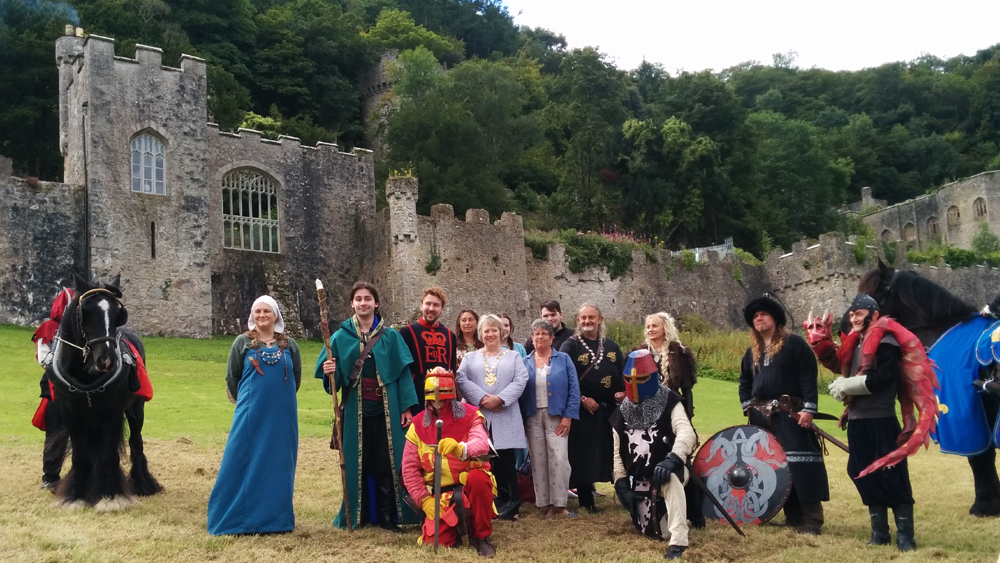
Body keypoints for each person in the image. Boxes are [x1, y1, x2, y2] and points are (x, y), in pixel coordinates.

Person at [316, 282, 419, 531]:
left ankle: (387, 516)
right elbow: (334, 381)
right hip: (356, 411)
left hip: (388, 409)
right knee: (358, 461)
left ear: (376, 303)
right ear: (352, 303)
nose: (363, 303)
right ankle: (358, 514)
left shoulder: (391, 336)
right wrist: (330, 370)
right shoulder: (340, 337)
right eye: (358, 299)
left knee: (387, 461)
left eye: (368, 299)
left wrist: (407, 407)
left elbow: (404, 374)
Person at [818, 294, 918, 551]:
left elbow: (885, 377)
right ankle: (880, 532)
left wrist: (850, 384)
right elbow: (841, 366)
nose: (854, 318)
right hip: (858, 422)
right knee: (861, 472)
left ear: (874, 315)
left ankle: (905, 536)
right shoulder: (856, 343)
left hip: (882, 420)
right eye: (852, 314)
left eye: (859, 313)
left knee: (892, 474)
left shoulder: (886, 341)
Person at [208, 296, 302, 535]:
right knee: (240, 458)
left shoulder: (289, 345)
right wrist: (250, 401)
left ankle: (275, 520)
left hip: (282, 416)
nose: (262, 316)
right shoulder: (242, 342)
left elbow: (296, 378)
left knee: (279, 464)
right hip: (251, 413)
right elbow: (233, 377)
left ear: (276, 315)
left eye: (267, 311)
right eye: (258, 311)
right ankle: (235, 519)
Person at [738, 295, 829, 535]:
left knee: (801, 463)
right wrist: (748, 406)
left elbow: (808, 377)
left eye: (764, 314)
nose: (759, 318)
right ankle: (792, 517)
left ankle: (811, 520)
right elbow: (744, 381)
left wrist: (809, 409)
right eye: (755, 316)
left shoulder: (794, 344)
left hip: (790, 413)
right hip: (761, 416)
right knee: (775, 465)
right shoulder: (752, 353)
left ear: (775, 319)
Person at [401, 367, 498, 557]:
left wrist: (460, 448)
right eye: (432, 394)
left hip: (468, 488)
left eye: (442, 395)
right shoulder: (418, 424)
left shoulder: (471, 415)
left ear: (451, 394)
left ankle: (481, 536)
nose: (437, 401)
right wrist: (424, 499)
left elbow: (481, 444)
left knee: (479, 479)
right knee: (436, 540)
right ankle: (455, 527)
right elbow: (409, 468)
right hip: (441, 496)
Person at [611, 349, 696, 560]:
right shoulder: (623, 411)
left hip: (669, 469)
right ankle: (675, 520)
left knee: (670, 480)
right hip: (640, 479)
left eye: (641, 378)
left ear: (653, 375)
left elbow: (687, 433)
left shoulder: (669, 401)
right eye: (630, 379)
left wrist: (673, 458)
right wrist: (621, 483)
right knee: (654, 532)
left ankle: (679, 542)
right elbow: (617, 453)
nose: (635, 383)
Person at [634, 311, 703, 528]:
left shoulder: (678, 352)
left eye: (655, 325)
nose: (651, 329)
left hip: (673, 412)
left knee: (680, 462)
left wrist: (686, 416)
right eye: (648, 326)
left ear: (665, 327)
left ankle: (695, 514)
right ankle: (657, 512)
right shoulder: (638, 353)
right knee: (651, 460)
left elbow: (687, 388)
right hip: (647, 414)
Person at [456, 314, 529, 521]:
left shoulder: (513, 357)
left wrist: (500, 399)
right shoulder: (471, 358)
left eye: (494, 330)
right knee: (481, 461)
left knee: (506, 462)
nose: (490, 334)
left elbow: (521, 379)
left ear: (501, 332)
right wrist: (481, 398)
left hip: (505, 413)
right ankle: (486, 504)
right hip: (480, 415)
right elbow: (461, 379)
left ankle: (510, 505)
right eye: (486, 331)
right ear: (481, 334)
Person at [560, 303, 626, 513]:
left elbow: (623, 373)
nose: (587, 322)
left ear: (600, 319)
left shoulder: (612, 345)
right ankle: (586, 500)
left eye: (591, 318)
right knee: (583, 454)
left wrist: (623, 393)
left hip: (609, 410)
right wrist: (582, 399)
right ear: (578, 321)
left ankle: (625, 494)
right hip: (583, 410)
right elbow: (564, 379)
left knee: (613, 452)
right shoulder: (570, 346)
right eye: (583, 318)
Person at [520, 319, 580, 518]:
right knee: (539, 460)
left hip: (557, 417)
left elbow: (574, 389)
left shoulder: (563, 359)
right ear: (531, 337)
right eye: (536, 334)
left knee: (560, 458)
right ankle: (546, 504)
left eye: (544, 334)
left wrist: (568, 416)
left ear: (552, 337)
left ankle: (561, 503)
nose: (539, 337)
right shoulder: (524, 362)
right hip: (533, 417)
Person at [30, 287, 73, 491]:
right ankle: (51, 476)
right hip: (55, 387)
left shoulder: (80, 330)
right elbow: (44, 358)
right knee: (56, 432)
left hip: (79, 387)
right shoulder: (48, 328)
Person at [400, 287, 458, 413]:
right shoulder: (407, 332)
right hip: (417, 398)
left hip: (445, 398)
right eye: (428, 304)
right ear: (421, 305)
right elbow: (402, 373)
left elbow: (452, 370)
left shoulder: (450, 335)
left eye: (436, 305)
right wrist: (405, 407)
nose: (431, 308)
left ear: (442, 309)